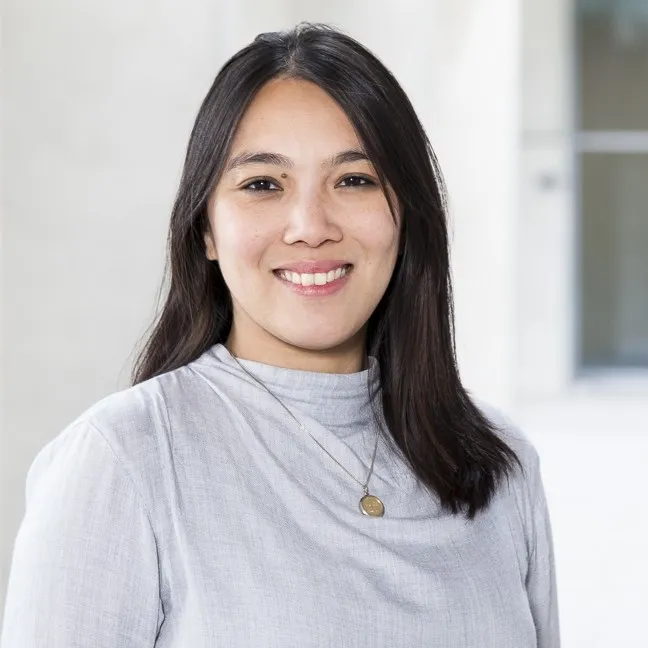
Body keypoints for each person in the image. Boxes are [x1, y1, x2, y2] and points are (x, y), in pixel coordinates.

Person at [1, 23, 560, 648]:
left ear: (407, 216)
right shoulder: (122, 461)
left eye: (355, 180)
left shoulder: (499, 463)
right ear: (206, 230)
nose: (310, 226)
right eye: (262, 184)